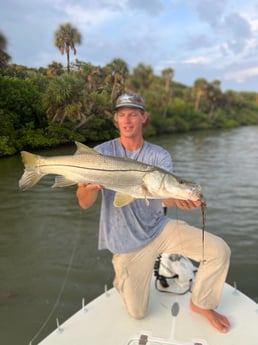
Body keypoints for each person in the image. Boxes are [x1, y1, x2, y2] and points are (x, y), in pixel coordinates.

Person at [76, 92, 231, 333]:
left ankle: (201, 303)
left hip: (160, 229)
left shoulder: (159, 155)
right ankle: (122, 277)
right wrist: (88, 188)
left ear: (143, 118)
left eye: (133, 115)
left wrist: (180, 200)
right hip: (126, 242)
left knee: (219, 250)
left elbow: (165, 193)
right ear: (116, 120)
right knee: (137, 314)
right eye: (122, 115)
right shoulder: (100, 153)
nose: (127, 120)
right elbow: (84, 203)